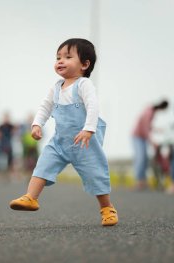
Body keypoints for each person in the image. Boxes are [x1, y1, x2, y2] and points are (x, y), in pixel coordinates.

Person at [9, 38, 118, 226]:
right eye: (58, 57)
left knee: (96, 174)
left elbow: (93, 107)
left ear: (84, 64)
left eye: (68, 57)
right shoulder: (56, 88)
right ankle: (31, 197)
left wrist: (88, 129)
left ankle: (107, 208)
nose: (60, 61)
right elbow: (45, 106)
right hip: (59, 142)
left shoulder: (83, 85)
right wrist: (37, 124)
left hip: (84, 143)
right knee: (42, 165)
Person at [132, 100, 169, 190]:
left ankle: (143, 181)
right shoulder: (149, 112)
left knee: (145, 158)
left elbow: (147, 127)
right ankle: (139, 181)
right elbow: (145, 129)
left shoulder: (151, 111)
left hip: (143, 137)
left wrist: (156, 129)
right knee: (140, 158)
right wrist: (152, 142)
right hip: (137, 136)